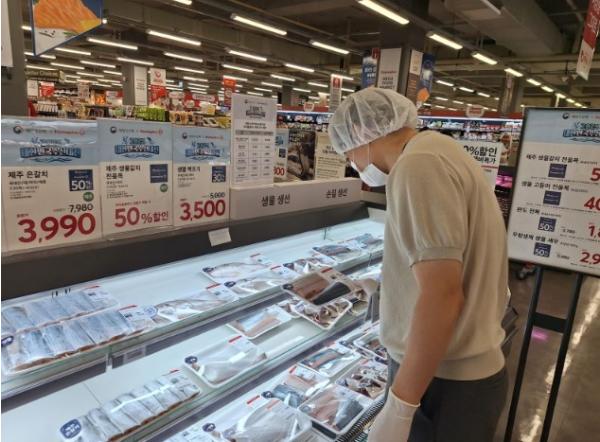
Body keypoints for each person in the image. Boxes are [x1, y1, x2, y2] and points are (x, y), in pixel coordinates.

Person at [328, 88, 509, 442]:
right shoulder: (440, 149)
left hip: (444, 385)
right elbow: (453, 263)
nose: (352, 161)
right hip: (460, 377)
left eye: (347, 151)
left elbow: (443, 295)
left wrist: (400, 407)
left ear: (362, 133)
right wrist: (390, 289)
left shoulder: (416, 166)